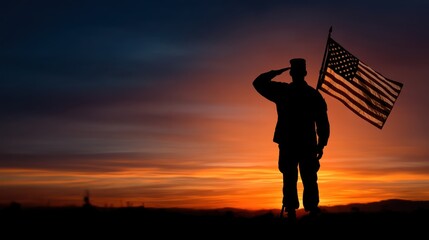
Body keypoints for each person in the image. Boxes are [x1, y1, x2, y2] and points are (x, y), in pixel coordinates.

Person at [252, 58, 330, 221]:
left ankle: (293, 210)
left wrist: (275, 72)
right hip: (306, 143)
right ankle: (310, 210)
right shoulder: (312, 94)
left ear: (292, 73)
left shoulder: (284, 91)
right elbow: (323, 123)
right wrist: (321, 144)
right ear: (305, 73)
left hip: (291, 143)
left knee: (292, 177)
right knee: (306, 177)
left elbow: (258, 82)